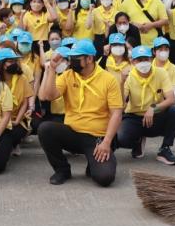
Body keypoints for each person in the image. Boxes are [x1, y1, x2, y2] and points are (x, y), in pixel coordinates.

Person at [35, 39, 122, 187]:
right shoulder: (68, 75)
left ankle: (94, 163)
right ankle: (62, 170)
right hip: (73, 132)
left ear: (89, 59)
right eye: (71, 57)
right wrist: (52, 70)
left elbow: (116, 114)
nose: (72, 61)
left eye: (76, 58)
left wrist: (106, 142)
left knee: (104, 177)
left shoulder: (108, 80)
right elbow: (49, 96)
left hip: (97, 137)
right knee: (45, 129)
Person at [114, 44, 175, 165]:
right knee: (122, 138)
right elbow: (121, 104)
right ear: (133, 62)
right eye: (139, 60)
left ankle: (165, 148)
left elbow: (171, 99)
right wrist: (122, 82)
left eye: (146, 59)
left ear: (151, 59)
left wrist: (153, 108)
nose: (143, 63)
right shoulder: (129, 76)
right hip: (134, 116)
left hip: (155, 115)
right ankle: (137, 141)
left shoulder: (161, 73)